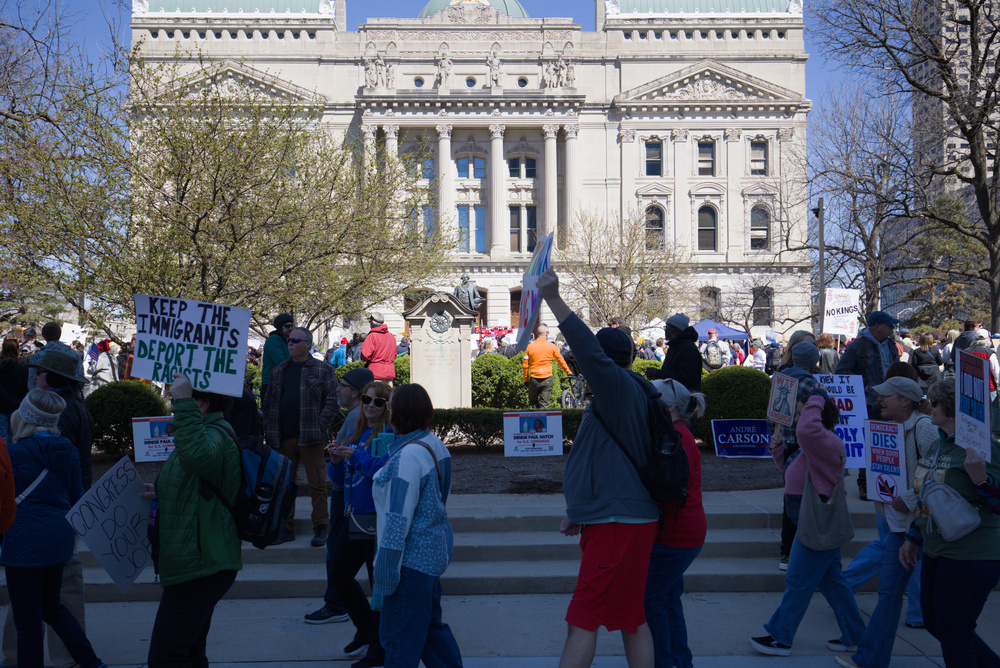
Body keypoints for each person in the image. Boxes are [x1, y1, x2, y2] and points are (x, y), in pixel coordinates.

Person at [536, 268, 659, 668]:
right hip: (617, 518)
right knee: (631, 618)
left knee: (582, 620)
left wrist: (553, 298)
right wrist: (581, 510)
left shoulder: (616, 387)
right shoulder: (631, 392)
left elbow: (588, 349)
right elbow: (602, 460)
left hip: (617, 524)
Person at [752, 386, 865, 657]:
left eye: (804, 413)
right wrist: (779, 452)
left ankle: (781, 637)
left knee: (798, 580)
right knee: (833, 582)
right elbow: (795, 473)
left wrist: (816, 396)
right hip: (814, 520)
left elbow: (806, 431)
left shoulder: (824, 440)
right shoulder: (815, 444)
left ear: (817, 415)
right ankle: (857, 635)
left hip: (817, 523)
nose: (799, 419)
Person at [1, 390, 107, 668]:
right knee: (53, 607)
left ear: (23, 417)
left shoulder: (11, 453)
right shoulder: (68, 450)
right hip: (58, 540)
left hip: (22, 542)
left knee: (27, 622)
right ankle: (91, 661)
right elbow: (76, 497)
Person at [835, 377, 936, 668]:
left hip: (919, 527)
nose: (879, 400)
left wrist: (907, 497)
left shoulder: (924, 427)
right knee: (889, 592)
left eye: (886, 396)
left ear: (906, 400)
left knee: (906, 597)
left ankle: (869, 657)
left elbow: (937, 471)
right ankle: (870, 657)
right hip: (901, 526)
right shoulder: (893, 427)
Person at [899, 378, 1000, 668]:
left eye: (935, 402)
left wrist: (982, 480)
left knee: (954, 631)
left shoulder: (983, 450)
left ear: (952, 408)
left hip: (972, 555)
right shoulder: (939, 446)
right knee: (937, 625)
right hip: (936, 551)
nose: (929, 407)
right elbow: (928, 498)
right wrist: (912, 538)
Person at [145, 373, 241, 668]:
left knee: (166, 657)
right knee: (189, 652)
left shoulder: (214, 433)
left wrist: (184, 402)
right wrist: (161, 490)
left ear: (200, 404)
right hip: (194, 561)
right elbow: (194, 477)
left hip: (202, 564)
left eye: (177, 401)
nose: (173, 407)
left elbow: (198, 458)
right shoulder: (201, 431)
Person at [372, 384, 462, 668]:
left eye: (391, 406)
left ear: (399, 413)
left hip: (409, 564)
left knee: (398, 641)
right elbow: (441, 496)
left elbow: (397, 520)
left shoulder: (408, 457)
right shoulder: (433, 444)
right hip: (431, 554)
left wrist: (385, 573)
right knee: (430, 633)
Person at [327, 381, 393, 668]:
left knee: (378, 588)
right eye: (367, 399)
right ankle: (369, 631)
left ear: (388, 406)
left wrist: (356, 456)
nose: (370, 405)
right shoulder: (357, 432)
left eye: (378, 402)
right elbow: (340, 480)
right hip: (354, 515)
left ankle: (379, 650)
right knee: (339, 574)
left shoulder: (390, 435)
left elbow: (383, 471)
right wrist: (336, 462)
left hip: (376, 519)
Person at [303, 368, 374, 626]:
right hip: (350, 498)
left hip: (348, 499)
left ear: (355, 391)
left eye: (342, 385)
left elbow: (351, 467)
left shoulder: (358, 418)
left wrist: (337, 467)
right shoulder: (358, 416)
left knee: (337, 557)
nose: (337, 390)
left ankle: (336, 604)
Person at [645, 380, 707, 668]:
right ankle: (681, 661)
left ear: (668, 406)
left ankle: (666, 662)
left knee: (652, 600)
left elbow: (665, 490)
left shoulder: (674, 438)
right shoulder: (681, 434)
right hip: (684, 533)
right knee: (668, 600)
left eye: (653, 396)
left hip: (674, 536)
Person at [263, 327, 340, 546]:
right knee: (286, 485)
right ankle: (287, 527)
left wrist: (320, 424)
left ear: (307, 344)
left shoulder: (323, 369)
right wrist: (269, 426)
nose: (290, 343)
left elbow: (333, 401)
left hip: (311, 438)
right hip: (283, 437)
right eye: (289, 341)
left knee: (317, 484)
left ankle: (320, 527)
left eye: (295, 340)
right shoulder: (279, 370)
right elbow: (268, 401)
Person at [768, 342, 820, 571]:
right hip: (805, 448)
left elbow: (771, 418)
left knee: (789, 499)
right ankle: (799, 551)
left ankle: (786, 553)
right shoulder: (812, 384)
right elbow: (820, 419)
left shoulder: (779, 380)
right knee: (804, 500)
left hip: (784, 446)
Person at [646, 313, 702, 392]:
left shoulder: (688, 349)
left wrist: (657, 374)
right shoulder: (675, 346)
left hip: (684, 399)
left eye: (668, 327)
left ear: (678, 330)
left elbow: (685, 379)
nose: (666, 330)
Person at [523, 324, 572, 409]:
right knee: (545, 405)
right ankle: (543, 420)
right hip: (547, 378)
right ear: (546, 334)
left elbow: (525, 366)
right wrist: (569, 372)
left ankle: (535, 419)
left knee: (533, 403)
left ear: (536, 334)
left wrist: (526, 380)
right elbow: (561, 361)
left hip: (534, 378)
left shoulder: (529, 347)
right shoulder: (552, 346)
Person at [961, 328, 1000, 436]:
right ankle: (995, 431)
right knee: (994, 408)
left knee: (975, 407)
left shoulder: (967, 351)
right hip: (989, 385)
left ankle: (975, 429)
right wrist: (997, 383)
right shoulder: (989, 352)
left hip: (972, 384)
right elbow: (996, 370)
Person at [26, 323, 84, 390]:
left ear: (44, 335)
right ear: (60, 334)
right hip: (67, 397)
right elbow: (80, 381)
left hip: (43, 398)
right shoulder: (74, 354)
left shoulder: (36, 356)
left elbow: (32, 384)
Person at [0, 339, 28, 442]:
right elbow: (23, 387)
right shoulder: (20, 367)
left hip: (1, 405)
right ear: (17, 349)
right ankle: (12, 456)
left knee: (1, 434)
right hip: (16, 405)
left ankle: (3, 456)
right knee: (14, 434)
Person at [261, 313, 293, 402]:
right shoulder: (274, 339)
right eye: (287, 326)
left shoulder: (286, 340)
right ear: (280, 327)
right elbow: (281, 361)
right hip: (271, 384)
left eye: (291, 326)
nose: (290, 328)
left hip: (282, 382)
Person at [360, 313, 397, 385]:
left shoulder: (372, 336)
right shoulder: (391, 336)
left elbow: (365, 355)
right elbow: (394, 355)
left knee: (375, 395)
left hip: (376, 373)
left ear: (372, 323)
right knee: (387, 395)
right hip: (389, 372)